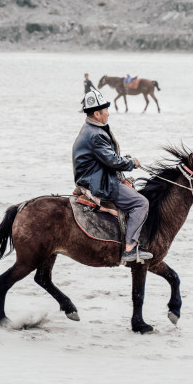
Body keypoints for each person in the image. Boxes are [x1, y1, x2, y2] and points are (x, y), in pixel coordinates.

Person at [72, 89, 152, 263]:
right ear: (97, 113)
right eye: (105, 110)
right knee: (141, 203)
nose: (108, 113)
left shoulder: (92, 129)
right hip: (98, 182)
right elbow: (112, 161)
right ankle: (130, 248)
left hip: (95, 176)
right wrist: (132, 163)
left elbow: (108, 158)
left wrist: (124, 161)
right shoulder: (95, 135)